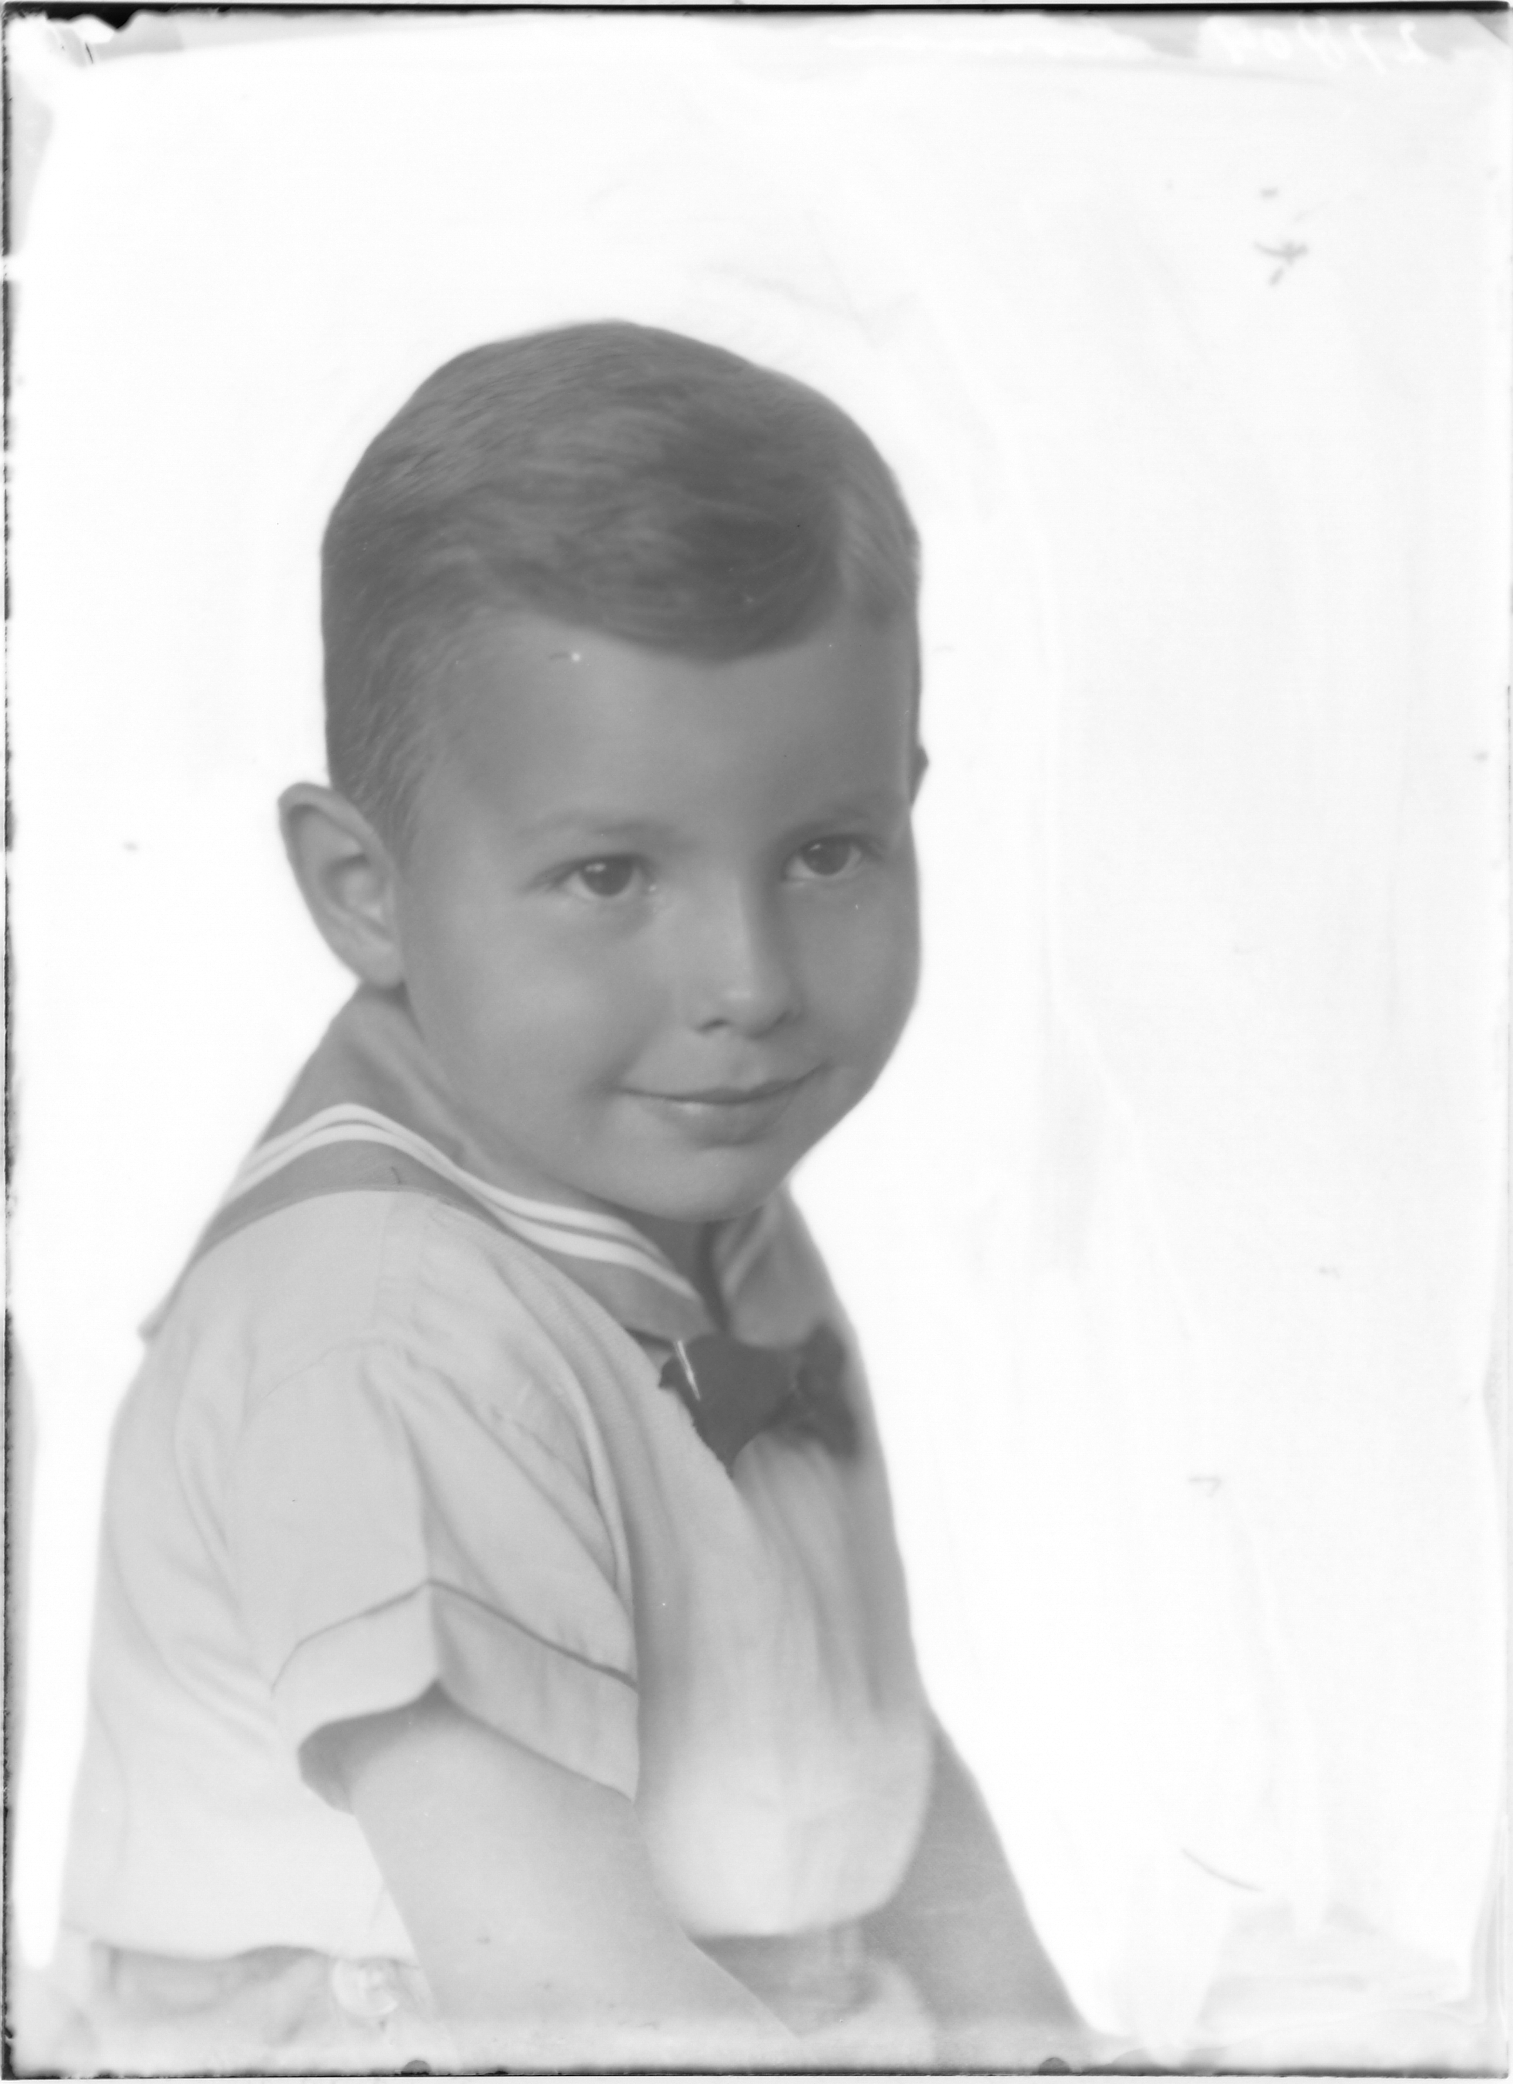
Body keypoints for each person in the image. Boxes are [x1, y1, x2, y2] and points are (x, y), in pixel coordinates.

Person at [53, 322, 1081, 2073]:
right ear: (363, 890)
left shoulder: (675, 1194)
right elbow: (568, 2006)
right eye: (608, 875)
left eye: (826, 853)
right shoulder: (382, 1340)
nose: (747, 983)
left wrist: (1048, 2049)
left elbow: (872, 1782)